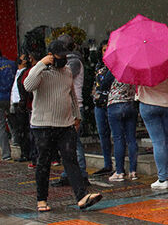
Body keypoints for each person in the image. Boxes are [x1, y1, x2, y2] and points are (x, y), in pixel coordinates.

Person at [24, 40, 102, 211]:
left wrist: (77, 116)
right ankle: (41, 200)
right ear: (50, 55)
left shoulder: (67, 71)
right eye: (60, 55)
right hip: (42, 125)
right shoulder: (41, 72)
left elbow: (72, 95)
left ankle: (81, 197)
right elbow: (28, 86)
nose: (64, 59)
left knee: (70, 160)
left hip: (65, 124)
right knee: (43, 162)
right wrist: (39, 65)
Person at [52, 35, 88, 187]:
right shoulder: (70, 61)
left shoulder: (74, 62)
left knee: (74, 143)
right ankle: (70, 174)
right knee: (67, 143)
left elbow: (62, 76)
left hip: (75, 106)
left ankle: (81, 174)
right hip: (67, 105)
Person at [138, 74, 168, 190]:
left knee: (158, 142)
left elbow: (135, 86)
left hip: (149, 104)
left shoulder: (142, 67)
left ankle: (162, 179)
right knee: (167, 141)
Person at [106, 75, 139, 182]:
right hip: (131, 104)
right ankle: (133, 171)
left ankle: (119, 171)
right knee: (131, 139)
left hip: (115, 104)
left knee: (118, 138)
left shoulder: (115, 68)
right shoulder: (134, 68)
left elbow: (104, 84)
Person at [92, 41, 113, 176]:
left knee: (116, 135)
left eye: (108, 49)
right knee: (103, 134)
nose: (106, 52)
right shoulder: (99, 67)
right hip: (98, 105)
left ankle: (119, 166)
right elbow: (96, 84)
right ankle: (107, 163)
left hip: (111, 104)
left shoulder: (116, 66)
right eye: (104, 50)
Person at [9, 53, 33, 162]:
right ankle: (24, 152)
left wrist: (22, 103)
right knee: (19, 129)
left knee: (24, 130)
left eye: (22, 58)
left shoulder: (25, 73)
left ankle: (26, 153)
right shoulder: (17, 72)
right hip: (15, 104)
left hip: (21, 104)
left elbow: (24, 89)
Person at [0, 49, 14, 161]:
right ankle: (17, 142)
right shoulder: (11, 64)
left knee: (1, 127)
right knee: (14, 122)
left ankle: (6, 154)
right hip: (12, 97)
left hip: (0, 98)